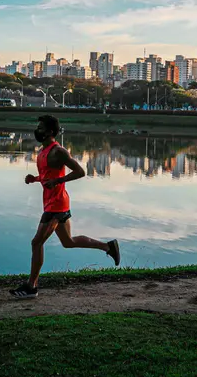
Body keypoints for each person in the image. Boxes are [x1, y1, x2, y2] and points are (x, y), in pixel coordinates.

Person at [10, 115, 120, 298]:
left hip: (57, 205)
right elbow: (47, 176)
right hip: (54, 202)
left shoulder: (58, 151)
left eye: (41, 127)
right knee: (68, 242)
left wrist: (59, 180)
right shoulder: (43, 151)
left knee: (36, 242)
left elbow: (80, 171)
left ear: (51, 132)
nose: (38, 130)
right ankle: (108, 247)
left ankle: (32, 286)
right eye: (38, 127)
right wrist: (34, 179)